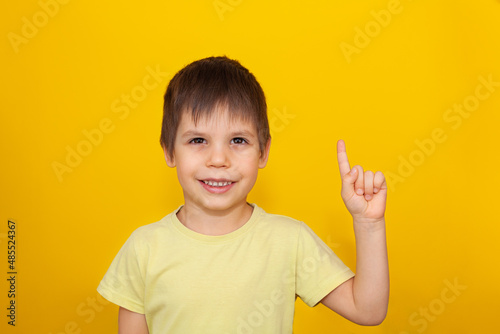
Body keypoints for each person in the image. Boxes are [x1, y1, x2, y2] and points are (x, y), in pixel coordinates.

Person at [97, 56, 389, 334]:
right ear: (169, 150)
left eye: (238, 140)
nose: (219, 158)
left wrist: (369, 225)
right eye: (198, 140)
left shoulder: (290, 240)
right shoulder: (143, 249)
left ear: (263, 152)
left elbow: (367, 310)